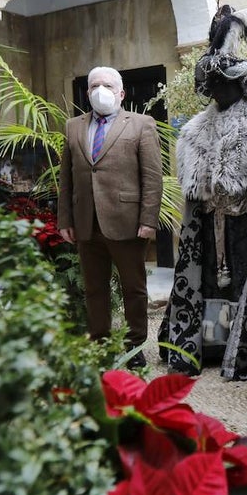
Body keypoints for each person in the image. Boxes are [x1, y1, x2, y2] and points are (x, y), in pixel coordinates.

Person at [159, 5, 247, 380]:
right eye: (214, 83)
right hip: (207, 223)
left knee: (242, 280)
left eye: (226, 82)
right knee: (206, 282)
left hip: (243, 222)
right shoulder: (193, 131)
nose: (219, 89)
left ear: (241, 84)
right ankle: (208, 345)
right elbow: (192, 193)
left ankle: (242, 351)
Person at [58, 66, 163, 367]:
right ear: (88, 92)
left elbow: (152, 177)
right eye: (94, 86)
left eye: (106, 85)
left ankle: (134, 346)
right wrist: (65, 219)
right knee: (94, 288)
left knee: (134, 288)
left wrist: (148, 220)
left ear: (121, 93)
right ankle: (100, 343)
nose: (99, 90)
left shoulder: (142, 124)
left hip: (127, 221)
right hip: (86, 222)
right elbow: (67, 177)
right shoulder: (73, 126)